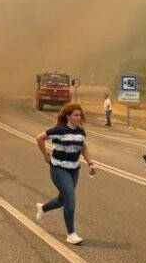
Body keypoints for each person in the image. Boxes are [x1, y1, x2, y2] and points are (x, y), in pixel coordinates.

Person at [34, 103, 98, 245]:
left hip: (74, 169)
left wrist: (90, 163)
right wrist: (45, 155)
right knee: (70, 197)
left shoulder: (81, 132)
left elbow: (83, 148)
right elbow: (39, 138)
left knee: (63, 200)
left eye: (79, 115)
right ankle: (71, 234)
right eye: (75, 115)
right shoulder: (59, 130)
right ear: (68, 116)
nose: (78, 117)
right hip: (58, 168)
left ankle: (43, 208)